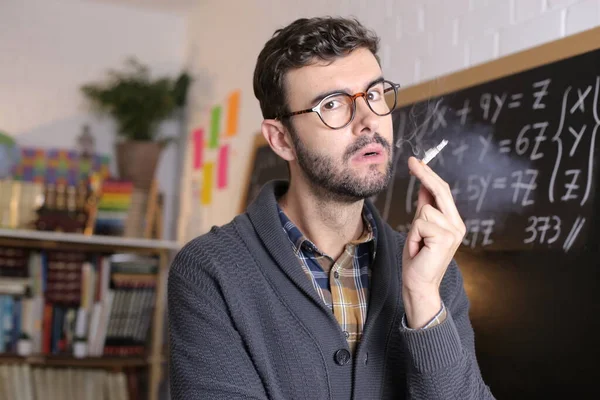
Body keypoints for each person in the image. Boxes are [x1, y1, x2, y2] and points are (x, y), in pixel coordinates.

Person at [168, 16, 495, 400]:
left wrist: (422, 297)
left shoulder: (435, 274)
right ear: (281, 139)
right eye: (333, 104)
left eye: (374, 95)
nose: (368, 120)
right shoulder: (211, 271)